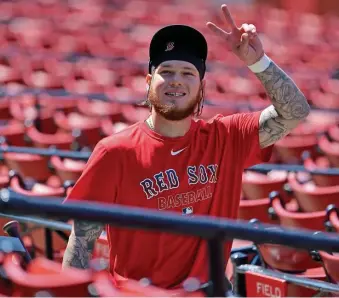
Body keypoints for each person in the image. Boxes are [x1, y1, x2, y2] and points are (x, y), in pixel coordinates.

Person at [62, 4, 310, 290]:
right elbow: (81, 240)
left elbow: (295, 112)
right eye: (166, 71)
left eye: (188, 73)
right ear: (148, 81)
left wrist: (259, 62)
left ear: (202, 86)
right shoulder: (115, 151)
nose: (176, 80)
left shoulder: (226, 137)